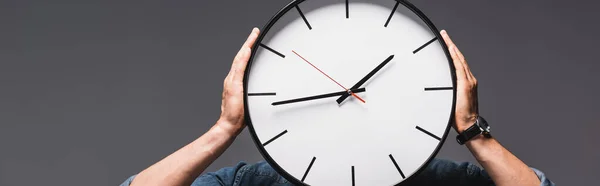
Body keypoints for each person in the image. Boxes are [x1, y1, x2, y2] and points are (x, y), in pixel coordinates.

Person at [120, 28, 554, 186]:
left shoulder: (439, 180)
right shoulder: (254, 183)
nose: (349, 100)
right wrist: (225, 127)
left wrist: (471, 129)